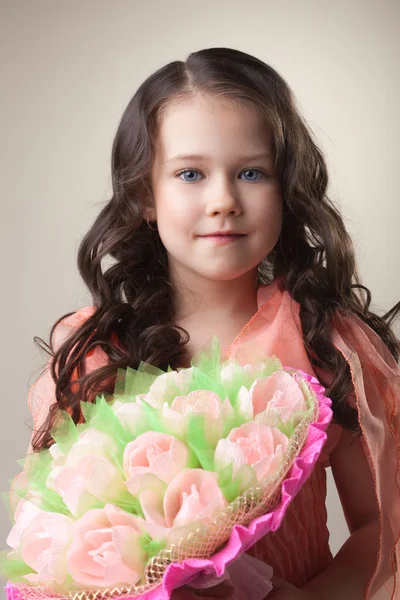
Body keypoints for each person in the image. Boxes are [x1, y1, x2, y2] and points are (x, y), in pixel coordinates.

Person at [10, 47, 400, 599]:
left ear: (285, 188)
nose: (223, 200)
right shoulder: (95, 349)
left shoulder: (325, 344)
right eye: (190, 173)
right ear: (147, 195)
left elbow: (384, 528)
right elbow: (52, 537)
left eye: (251, 172)